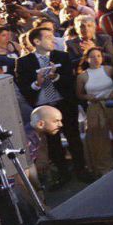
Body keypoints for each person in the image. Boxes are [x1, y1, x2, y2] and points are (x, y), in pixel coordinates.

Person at [15, 26, 93, 185]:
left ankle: (81, 170)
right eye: (48, 37)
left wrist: (56, 76)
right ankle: (63, 174)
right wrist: (37, 83)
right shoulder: (23, 62)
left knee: (73, 137)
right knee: (53, 143)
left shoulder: (62, 56)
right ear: (37, 41)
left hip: (64, 103)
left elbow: (70, 81)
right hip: (44, 108)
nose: (53, 40)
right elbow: (23, 88)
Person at [75, 47, 113, 175]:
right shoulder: (82, 76)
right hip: (95, 106)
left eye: (99, 56)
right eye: (93, 57)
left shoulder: (109, 70)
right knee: (98, 137)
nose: (96, 59)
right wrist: (87, 97)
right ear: (87, 59)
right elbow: (79, 94)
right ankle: (104, 168)